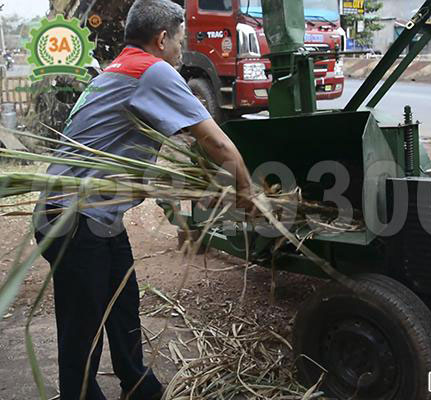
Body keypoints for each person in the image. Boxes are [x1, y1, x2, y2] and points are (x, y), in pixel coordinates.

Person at [33, 0, 252, 399]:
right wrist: (248, 194)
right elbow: (217, 141)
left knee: (123, 306)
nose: (182, 50)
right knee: (83, 329)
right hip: (74, 217)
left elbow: (176, 140)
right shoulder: (154, 71)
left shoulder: (117, 69)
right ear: (162, 39)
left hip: (94, 216)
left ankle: (138, 386)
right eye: (180, 41)